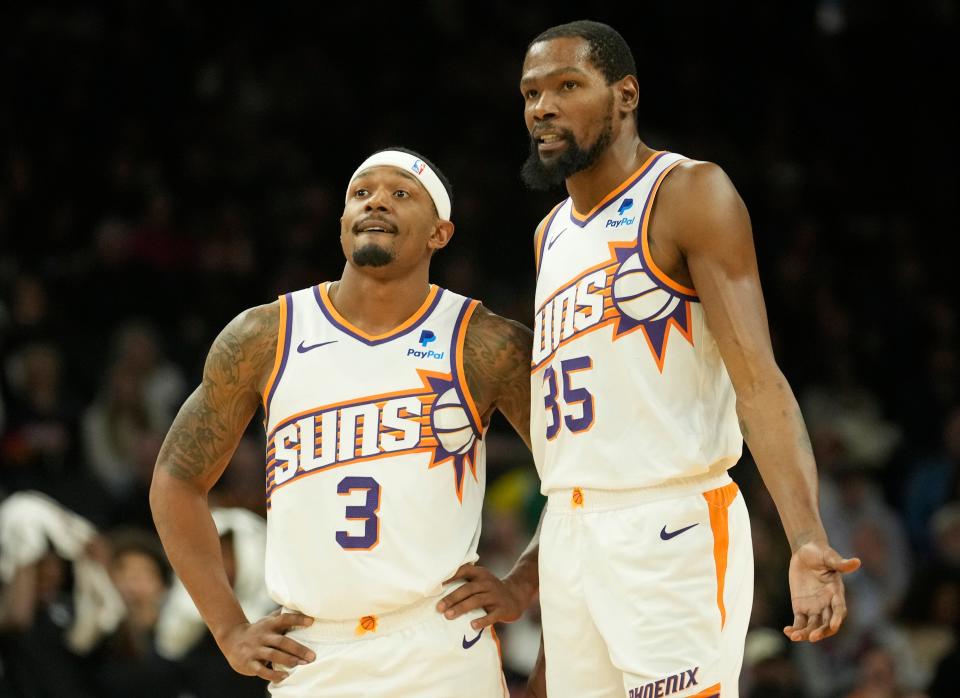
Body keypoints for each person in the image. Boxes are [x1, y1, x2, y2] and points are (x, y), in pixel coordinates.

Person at [519, 20, 861, 698]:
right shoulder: (548, 235)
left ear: (625, 95)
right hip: (569, 528)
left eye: (566, 86)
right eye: (531, 93)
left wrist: (805, 537)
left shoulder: (688, 192)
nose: (543, 107)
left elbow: (758, 380)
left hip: (668, 521)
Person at [150, 147, 539, 697]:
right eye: (361, 193)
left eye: (400, 193)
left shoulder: (486, 342)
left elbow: (580, 472)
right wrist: (230, 629)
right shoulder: (264, 336)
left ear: (440, 233)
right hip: (312, 650)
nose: (376, 200)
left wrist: (523, 583)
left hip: (440, 640)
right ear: (341, 227)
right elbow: (175, 482)